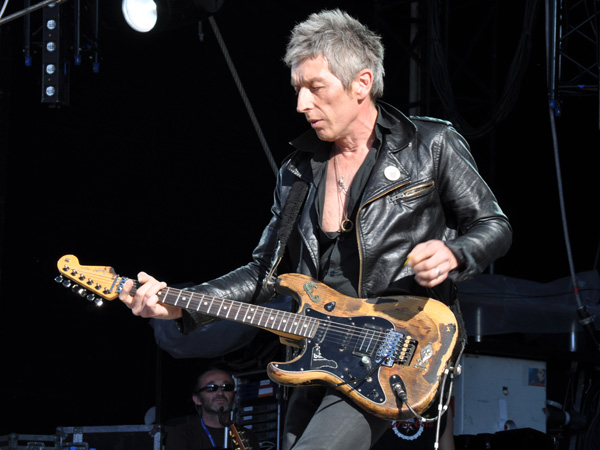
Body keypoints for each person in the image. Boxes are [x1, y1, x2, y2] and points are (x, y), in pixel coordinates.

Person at [119, 8, 512, 450]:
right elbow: (262, 273)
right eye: (298, 89)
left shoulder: (431, 143)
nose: (302, 104)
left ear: (361, 84)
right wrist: (181, 306)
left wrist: (456, 253)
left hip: (397, 346)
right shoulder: (298, 171)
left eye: (316, 88)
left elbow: (493, 225)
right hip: (318, 350)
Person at [164, 367, 260, 450]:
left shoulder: (247, 436)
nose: (220, 393)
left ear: (234, 397)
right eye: (211, 388)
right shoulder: (181, 434)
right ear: (197, 399)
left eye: (226, 387)